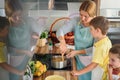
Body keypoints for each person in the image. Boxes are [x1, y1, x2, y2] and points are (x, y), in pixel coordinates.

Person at [56, 0, 96, 80]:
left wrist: (77, 52)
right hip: (78, 60)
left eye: (86, 16)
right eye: (81, 15)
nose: (82, 18)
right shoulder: (76, 21)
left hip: (91, 63)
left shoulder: (96, 26)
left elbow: (95, 49)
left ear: (93, 15)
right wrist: (62, 42)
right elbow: (60, 31)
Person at [5, 0, 40, 80]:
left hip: (28, 58)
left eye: (19, 14)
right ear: (8, 15)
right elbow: (7, 49)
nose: (18, 18)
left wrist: (33, 35)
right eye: (14, 16)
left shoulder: (25, 22)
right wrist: (25, 52)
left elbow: (29, 35)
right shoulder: (6, 28)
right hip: (16, 63)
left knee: (29, 77)